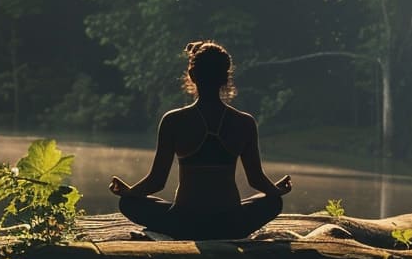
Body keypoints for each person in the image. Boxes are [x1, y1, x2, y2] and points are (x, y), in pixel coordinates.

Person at [108, 40, 292, 240]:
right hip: (230, 223)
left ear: (192, 76)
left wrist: (129, 193)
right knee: (273, 202)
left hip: (184, 223)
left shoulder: (173, 120)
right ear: (225, 78)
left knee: (128, 204)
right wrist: (276, 191)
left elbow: (157, 181)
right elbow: (256, 179)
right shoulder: (244, 122)